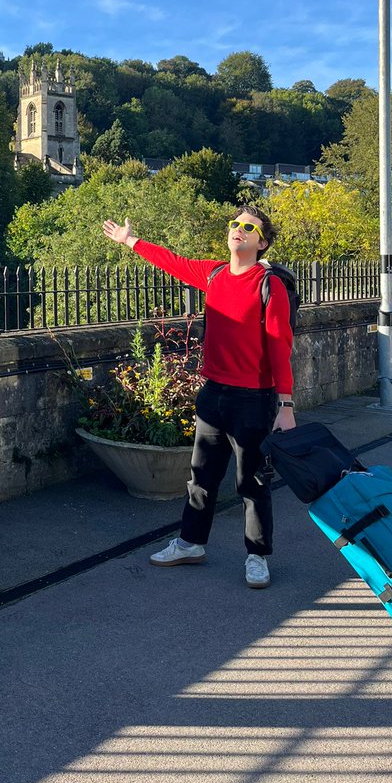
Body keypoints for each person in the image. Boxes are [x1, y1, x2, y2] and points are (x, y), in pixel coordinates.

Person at [102, 206, 295, 589]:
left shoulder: (268, 285)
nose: (238, 230)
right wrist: (130, 241)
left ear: (262, 242)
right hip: (213, 393)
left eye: (248, 227)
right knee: (201, 477)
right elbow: (171, 262)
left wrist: (286, 404)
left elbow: (280, 346)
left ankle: (257, 556)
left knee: (252, 482)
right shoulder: (215, 273)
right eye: (234, 225)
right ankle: (191, 543)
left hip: (254, 399)